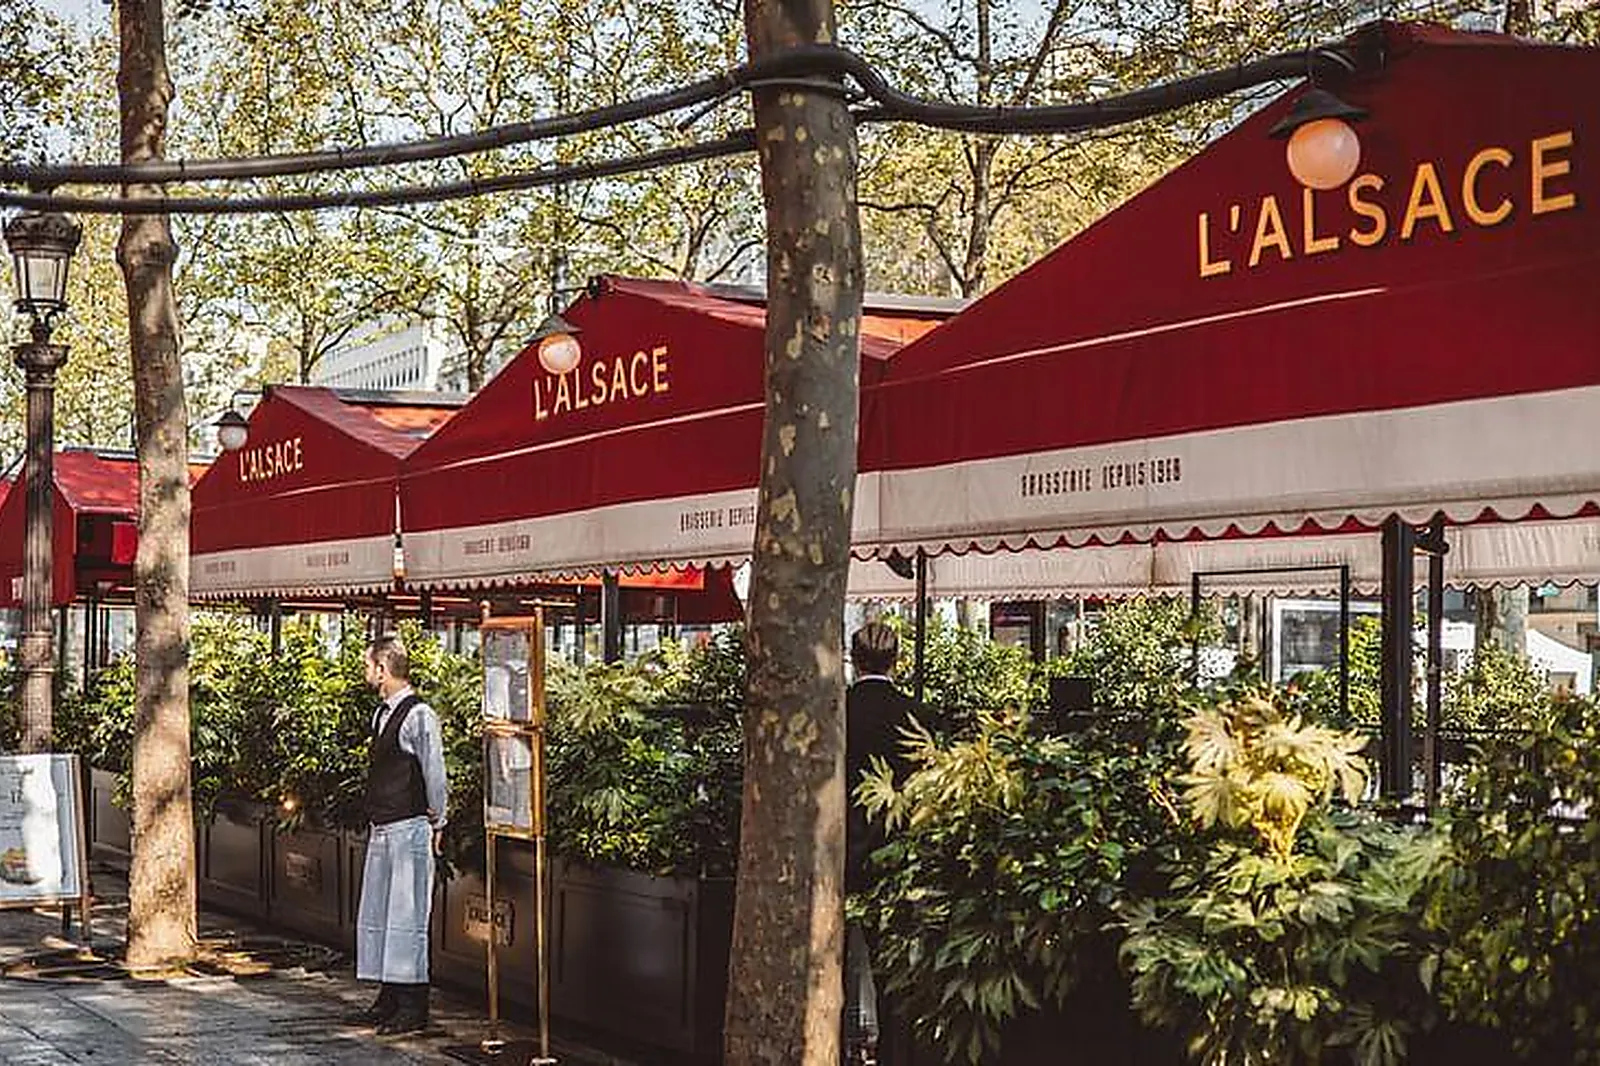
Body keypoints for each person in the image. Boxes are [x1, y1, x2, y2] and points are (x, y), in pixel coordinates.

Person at [347, 634, 449, 1036]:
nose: (365, 671)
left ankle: (412, 1007)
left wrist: (439, 821)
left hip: (409, 827)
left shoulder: (419, 715)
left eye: (367, 664)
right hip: (384, 826)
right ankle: (388, 999)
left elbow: (434, 771)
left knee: (407, 917)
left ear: (383, 668)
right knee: (381, 914)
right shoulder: (382, 714)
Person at [843, 621, 919, 1066]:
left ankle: (839, 1044)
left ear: (854, 659)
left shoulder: (837, 710)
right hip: (895, 852)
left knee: (831, 959)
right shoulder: (916, 715)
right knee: (891, 964)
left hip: (837, 850)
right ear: (896, 661)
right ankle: (889, 1052)